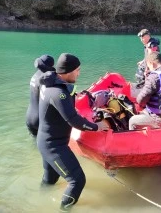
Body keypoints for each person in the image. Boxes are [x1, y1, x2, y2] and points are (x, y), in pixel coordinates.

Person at [37, 53, 109, 212]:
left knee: (50, 180)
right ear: (68, 71)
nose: (79, 73)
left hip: (45, 140)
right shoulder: (59, 92)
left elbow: (61, 111)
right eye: (77, 70)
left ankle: (38, 202)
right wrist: (98, 126)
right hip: (54, 146)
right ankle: (64, 210)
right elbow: (74, 121)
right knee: (77, 180)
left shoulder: (49, 83)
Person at [25, 54, 56, 137]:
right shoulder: (46, 79)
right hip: (40, 119)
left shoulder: (34, 76)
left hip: (29, 116)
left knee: (35, 143)